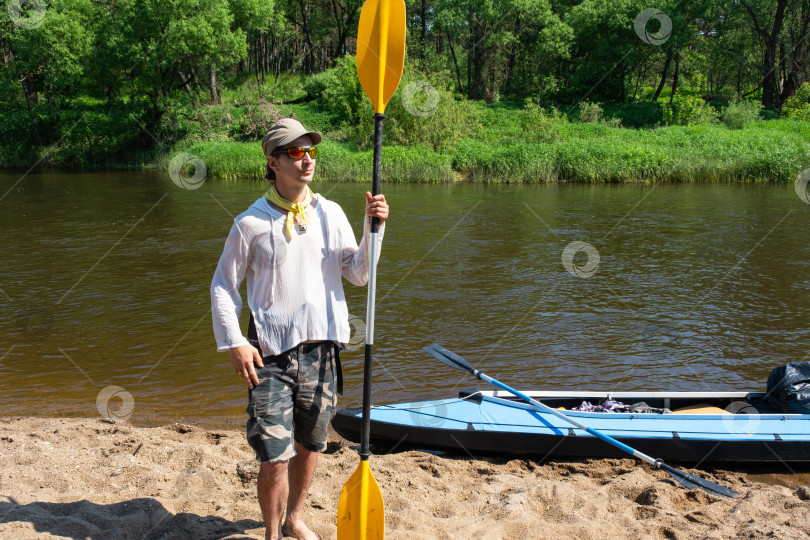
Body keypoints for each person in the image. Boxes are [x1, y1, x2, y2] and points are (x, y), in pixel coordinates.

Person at [211, 118, 389, 540]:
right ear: (273, 162)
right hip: (268, 353)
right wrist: (234, 340)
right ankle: (272, 533)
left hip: (322, 350)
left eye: (310, 151)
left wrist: (373, 229)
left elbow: (359, 273)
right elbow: (222, 285)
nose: (306, 158)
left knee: (311, 444)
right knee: (274, 454)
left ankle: (294, 518)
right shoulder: (249, 223)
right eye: (295, 152)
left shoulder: (331, 212)